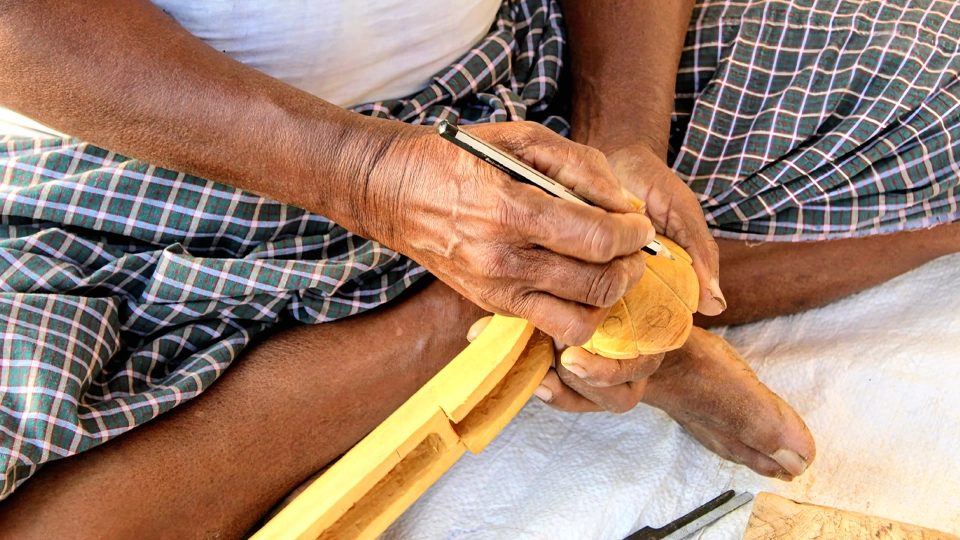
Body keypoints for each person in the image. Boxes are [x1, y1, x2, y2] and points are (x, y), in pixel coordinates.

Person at [1, 0, 958, 537]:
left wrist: (622, 142)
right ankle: (470, 321)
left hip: (512, 94)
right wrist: (372, 178)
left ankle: (579, 277)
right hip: (138, 174)